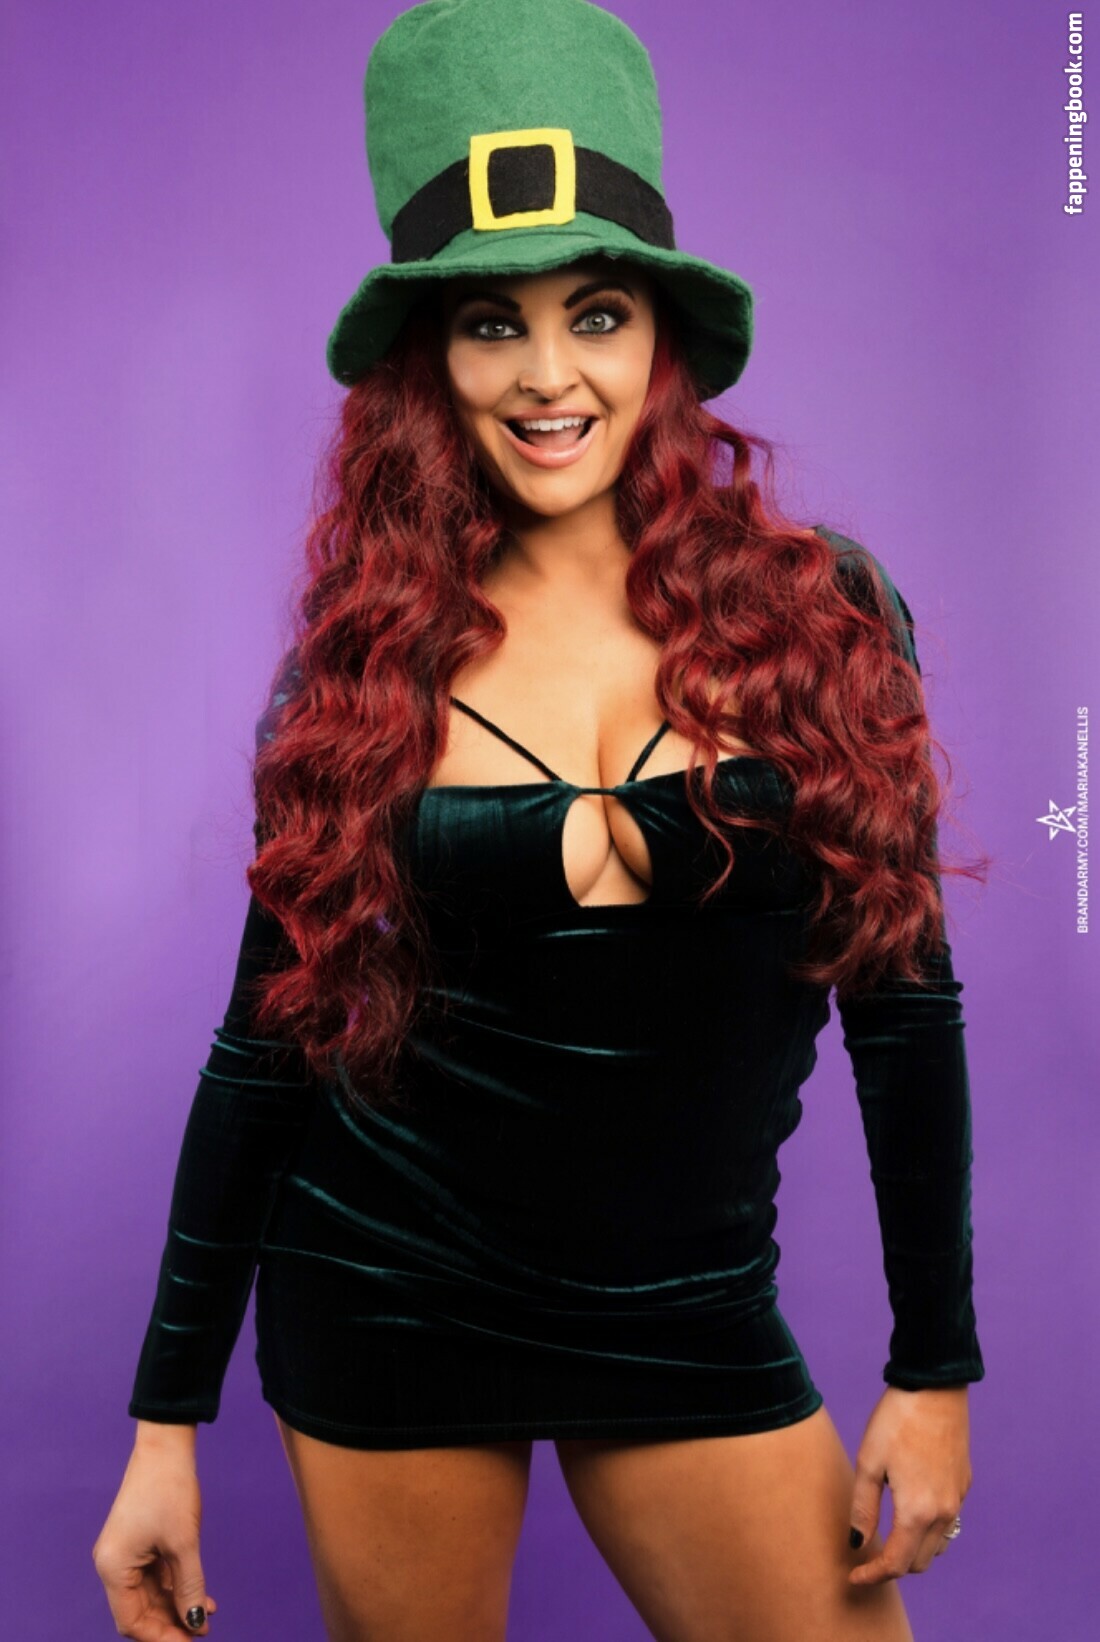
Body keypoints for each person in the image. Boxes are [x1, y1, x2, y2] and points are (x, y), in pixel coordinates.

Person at [92, 2, 985, 1638]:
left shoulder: (826, 616)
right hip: (387, 1299)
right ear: (431, 362)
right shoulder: (364, 671)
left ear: (662, 338)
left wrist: (936, 1367)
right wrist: (167, 1423)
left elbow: (903, 1005)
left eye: (598, 312)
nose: (550, 374)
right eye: (492, 322)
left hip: (691, 1310)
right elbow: (263, 1053)